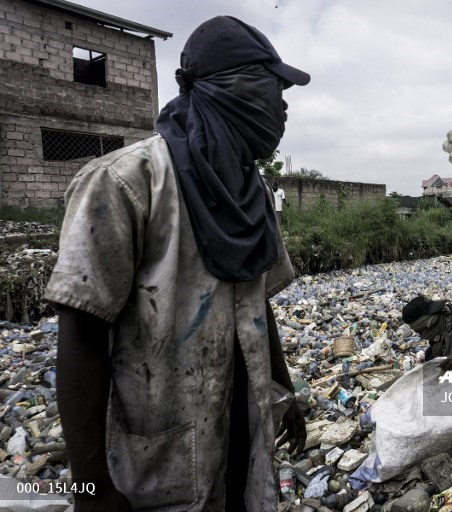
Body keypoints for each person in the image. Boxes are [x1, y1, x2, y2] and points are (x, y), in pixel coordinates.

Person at [45, 16, 310, 512]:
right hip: (159, 442)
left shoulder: (252, 194)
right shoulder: (126, 182)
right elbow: (80, 330)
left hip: (240, 423)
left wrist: (284, 391)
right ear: (238, 89)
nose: (284, 106)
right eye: (276, 89)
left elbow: (255, 305)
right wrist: (90, 486)